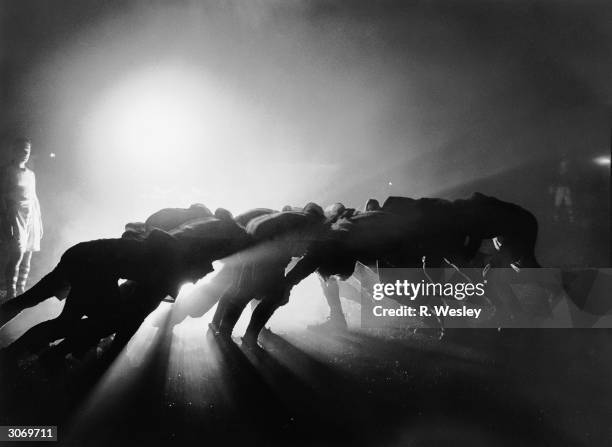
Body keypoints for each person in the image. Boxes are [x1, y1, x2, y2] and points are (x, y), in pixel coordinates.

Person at [0, 229, 213, 357]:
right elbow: (134, 317)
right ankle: (18, 353)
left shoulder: (170, 257)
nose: (195, 282)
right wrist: (113, 351)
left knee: (36, 301)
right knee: (86, 322)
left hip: (83, 255)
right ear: (192, 266)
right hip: (92, 265)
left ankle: (20, 351)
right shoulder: (170, 270)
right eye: (199, 276)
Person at [0, 137, 43, 299]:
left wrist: (38, 220)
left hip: (30, 215)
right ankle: (11, 292)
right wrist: (5, 219)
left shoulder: (31, 174)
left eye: (28, 150)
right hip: (15, 214)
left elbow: (34, 197)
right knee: (16, 254)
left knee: (28, 253)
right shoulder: (7, 171)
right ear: (14, 150)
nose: (25, 153)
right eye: (22, 150)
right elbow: (1, 196)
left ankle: (21, 289)